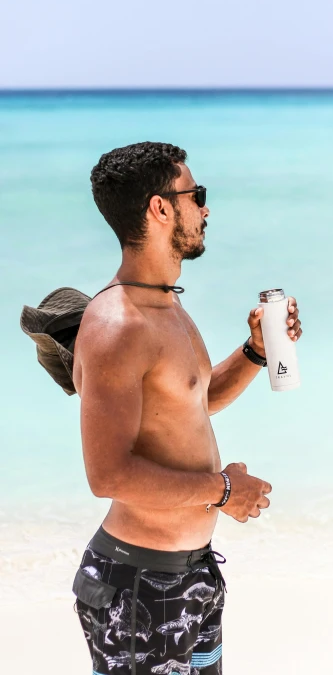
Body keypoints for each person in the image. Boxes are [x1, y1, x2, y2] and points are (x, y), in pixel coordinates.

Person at [71, 141, 303, 675]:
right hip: (137, 589)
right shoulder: (118, 326)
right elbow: (107, 474)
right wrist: (222, 490)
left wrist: (254, 355)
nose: (205, 208)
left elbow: (194, 402)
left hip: (191, 577)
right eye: (195, 195)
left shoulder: (164, 303)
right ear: (159, 208)